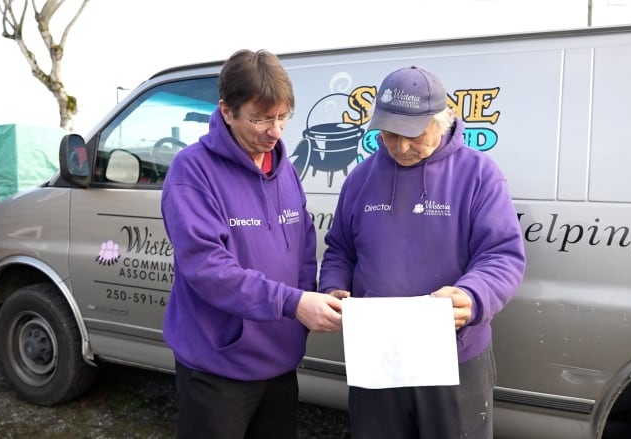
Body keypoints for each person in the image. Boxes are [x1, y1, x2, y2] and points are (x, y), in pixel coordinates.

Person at [319, 66, 526, 439]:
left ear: (441, 118)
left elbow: (501, 255)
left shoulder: (479, 175)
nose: (399, 146)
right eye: (388, 134)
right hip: (376, 355)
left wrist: (473, 295)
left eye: (412, 134)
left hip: (453, 356)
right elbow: (340, 249)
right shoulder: (360, 179)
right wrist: (333, 285)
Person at [161, 49, 345, 439]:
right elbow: (207, 269)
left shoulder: (285, 170)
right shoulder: (192, 171)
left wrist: (312, 300)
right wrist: (293, 303)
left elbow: (302, 247)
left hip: (280, 359)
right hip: (218, 364)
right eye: (261, 118)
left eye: (282, 117)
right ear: (227, 111)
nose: (275, 131)